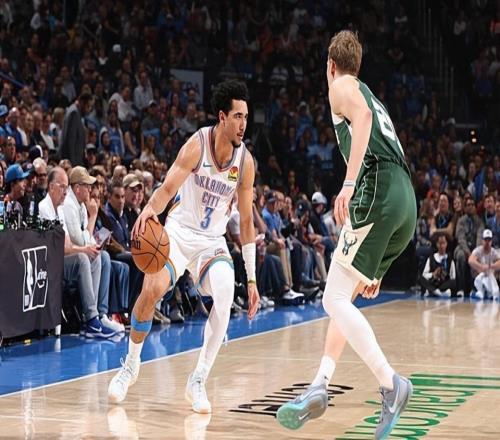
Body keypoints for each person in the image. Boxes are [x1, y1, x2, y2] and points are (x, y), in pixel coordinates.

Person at [277, 31, 416, 439]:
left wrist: (350, 183)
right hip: (405, 201)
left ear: (331, 65)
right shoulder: (369, 91)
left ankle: (391, 383)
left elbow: (364, 119)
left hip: (379, 190)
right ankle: (320, 382)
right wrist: (378, 268)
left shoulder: (341, 86)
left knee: (332, 299)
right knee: (342, 297)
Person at [108, 80, 260, 413]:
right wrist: (149, 209)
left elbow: (247, 222)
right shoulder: (196, 145)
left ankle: (198, 379)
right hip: (178, 233)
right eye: (237, 116)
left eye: (246, 117)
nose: (243, 124)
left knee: (224, 293)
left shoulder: (245, 162)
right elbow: (167, 188)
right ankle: (130, 365)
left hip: (212, 242)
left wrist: (251, 279)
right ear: (222, 117)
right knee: (151, 290)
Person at [468, 229, 500, 300]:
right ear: (482, 240)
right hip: (479, 277)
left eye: (489, 240)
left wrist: (490, 266)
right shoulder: (478, 250)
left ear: (491, 241)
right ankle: (479, 291)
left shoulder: (493, 252)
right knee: (482, 277)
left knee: (490, 277)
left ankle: (489, 293)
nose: (487, 242)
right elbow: (470, 260)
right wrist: (481, 267)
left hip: (490, 277)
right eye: (486, 240)